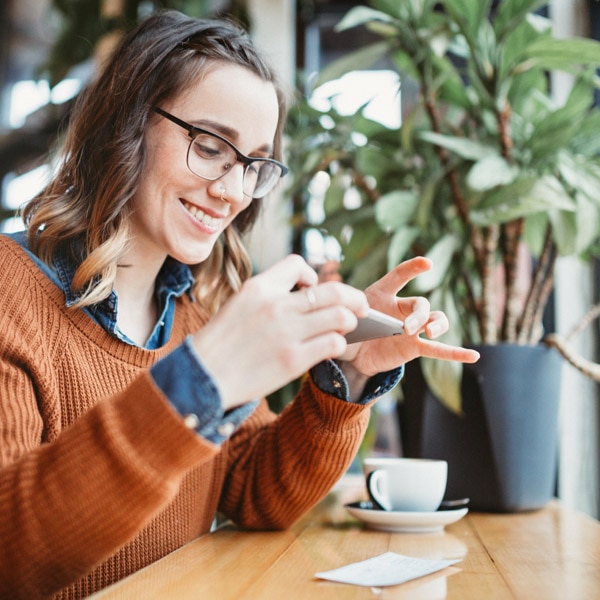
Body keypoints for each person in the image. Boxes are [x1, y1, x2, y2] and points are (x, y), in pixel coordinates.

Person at [0, 10, 479, 599]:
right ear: (125, 125)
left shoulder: (195, 310)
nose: (231, 191)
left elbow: (255, 491)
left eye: (253, 165)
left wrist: (347, 377)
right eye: (208, 146)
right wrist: (202, 378)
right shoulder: (9, 291)